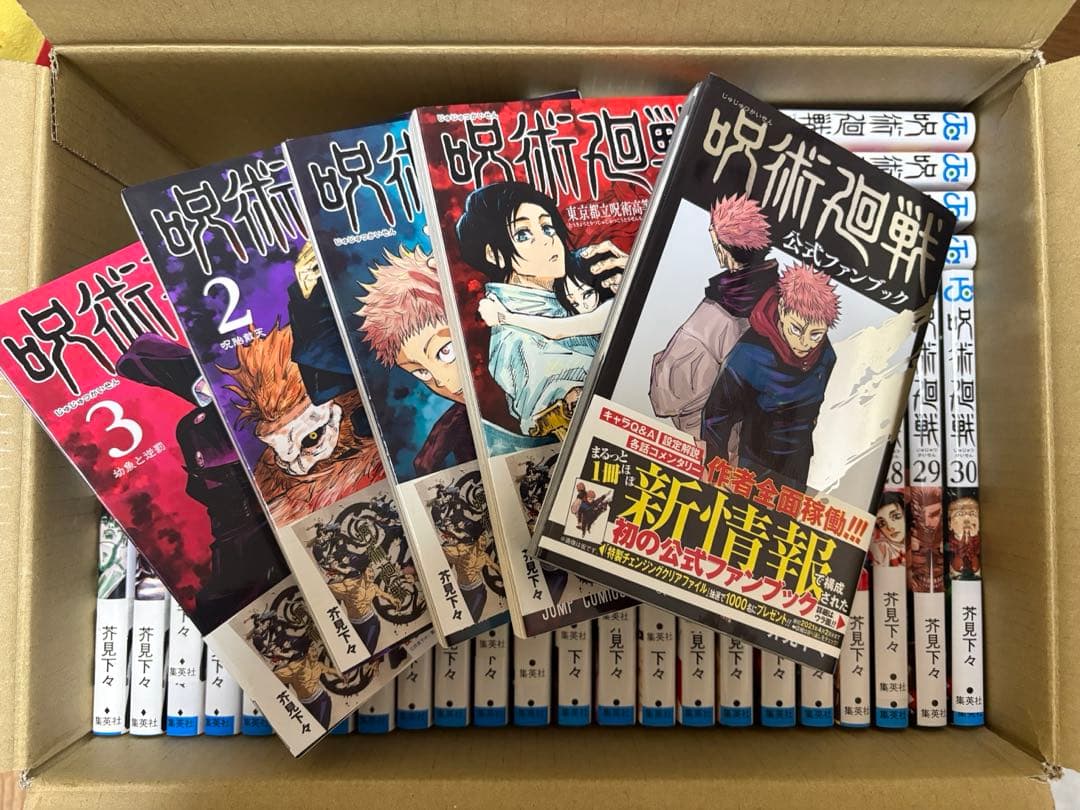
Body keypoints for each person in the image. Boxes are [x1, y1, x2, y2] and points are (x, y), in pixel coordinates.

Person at [456, 181, 625, 441]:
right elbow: (557, 400)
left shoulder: (575, 279)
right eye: (523, 234)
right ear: (493, 255)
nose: (549, 241)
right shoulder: (519, 343)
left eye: (547, 228)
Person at [650, 194, 776, 444]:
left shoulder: (714, 315)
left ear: (720, 246)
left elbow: (667, 395)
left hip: (711, 443)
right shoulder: (787, 301)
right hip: (759, 444)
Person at [701, 262, 840, 490]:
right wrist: (716, 467)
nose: (804, 343)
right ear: (783, 310)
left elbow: (814, 410)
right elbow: (717, 413)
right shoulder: (750, 352)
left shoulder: (826, 355)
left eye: (816, 334)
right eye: (796, 329)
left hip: (797, 465)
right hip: (754, 461)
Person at [356, 244, 476, 476]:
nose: (441, 382)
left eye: (446, 351)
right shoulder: (453, 425)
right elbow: (424, 465)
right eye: (422, 372)